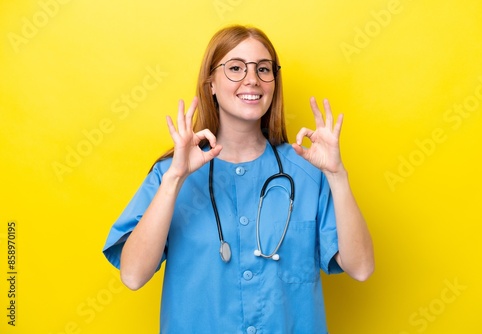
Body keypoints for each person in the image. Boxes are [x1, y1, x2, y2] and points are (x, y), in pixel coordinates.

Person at [103, 24, 374, 333]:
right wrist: (175, 178)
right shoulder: (171, 174)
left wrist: (337, 176)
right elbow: (133, 276)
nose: (252, 80)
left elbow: (361, 268)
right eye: (235, 68)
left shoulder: (307, 170)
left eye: (263, 69)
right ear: (211, 85)